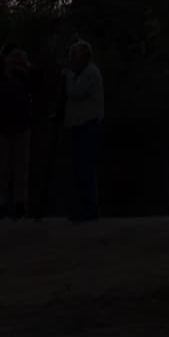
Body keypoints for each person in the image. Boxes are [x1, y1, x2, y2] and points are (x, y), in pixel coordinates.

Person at [0, 47, 36, 220]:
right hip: (0, 130)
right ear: (3, 58)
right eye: (12, 57)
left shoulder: (23, 77)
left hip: (22, 128)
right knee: (2, 169)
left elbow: (39, 84)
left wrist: (26, 66)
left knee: (21, 168)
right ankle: (1, 205)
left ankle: (20, 204)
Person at [59, 40, 103, 222]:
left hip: (87, 125)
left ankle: (89, 208)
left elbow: (75, 92)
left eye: (74, 56)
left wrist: (68, 76)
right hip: (80, 125)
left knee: (85, 168)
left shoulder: (90, 73)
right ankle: (82, 208)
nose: (71, 60)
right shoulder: (85, 73)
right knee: (79, 168)